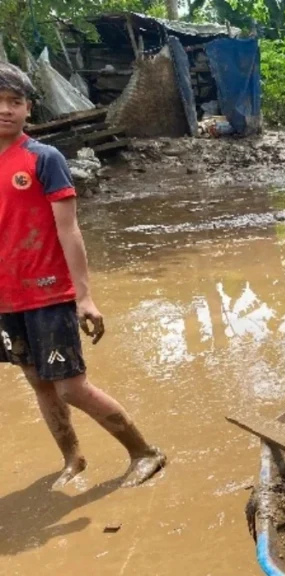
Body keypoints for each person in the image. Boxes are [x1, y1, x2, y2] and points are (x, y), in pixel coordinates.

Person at [0, 62, 166, 490]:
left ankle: (144, 452)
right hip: (7, 300)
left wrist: (84, 297)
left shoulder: (43, 158)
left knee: (71, 387)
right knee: (39, 384)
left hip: (49, 294)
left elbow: (68, 229)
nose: (5, 110)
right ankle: (73, 458)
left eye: (14, 102)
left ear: (28, 109)